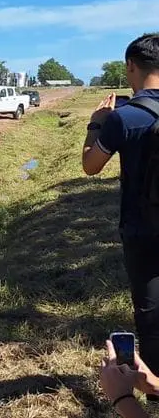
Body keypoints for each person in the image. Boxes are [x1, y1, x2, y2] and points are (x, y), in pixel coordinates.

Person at [82, 33, 159, 375]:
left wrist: (96, 121)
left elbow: (90, 166)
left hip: (143, 233)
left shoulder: (124, 118)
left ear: (131, 66)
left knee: (151, 315)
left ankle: (154, 390)